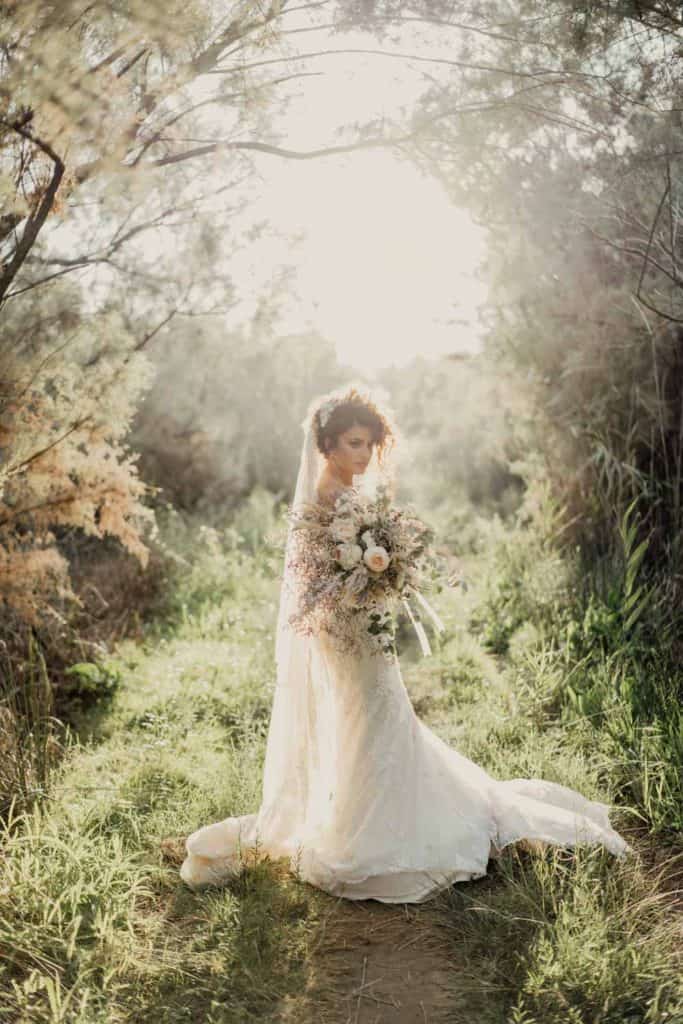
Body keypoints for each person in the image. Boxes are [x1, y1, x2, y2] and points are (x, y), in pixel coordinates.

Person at [179, 384, 632, 902]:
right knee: (365, 718)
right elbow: (312, 579)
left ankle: (384, 817)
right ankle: (363, 826)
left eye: (369, 443)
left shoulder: (350, 490)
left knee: (381, 716)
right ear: (327, 444)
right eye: (353, 443)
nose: (363, 453)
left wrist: (385, 571)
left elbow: (356, 562)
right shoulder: (324, 497)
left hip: (363, 625)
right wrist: (365, 575)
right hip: (343, 632)